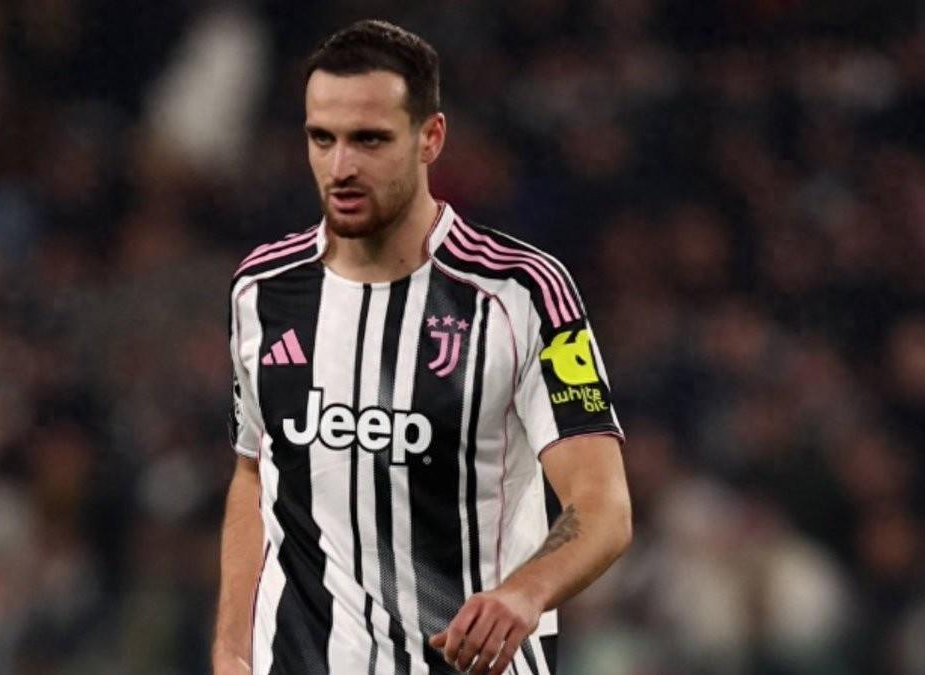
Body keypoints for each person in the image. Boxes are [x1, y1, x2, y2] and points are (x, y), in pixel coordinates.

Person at [212, 19, 632, 675]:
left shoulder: (522, 292)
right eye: (323, 138)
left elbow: (603, 506)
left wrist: (525, 592)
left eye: (370, 139)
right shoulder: (261, 290)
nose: (341, 167)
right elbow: (253, 470)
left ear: (430, 138)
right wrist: (232, 650)